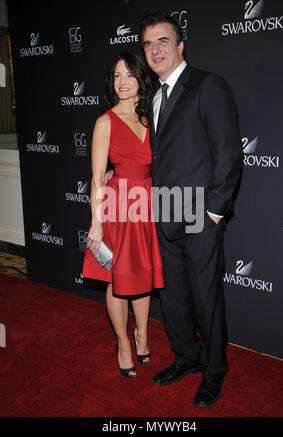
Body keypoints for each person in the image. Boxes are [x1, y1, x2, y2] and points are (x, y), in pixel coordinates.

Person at [141, 13, 242, 407]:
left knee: (206, 300)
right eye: (148, 44)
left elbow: (228, 152)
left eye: (163, 41)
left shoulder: (207, 85)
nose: (155, 50)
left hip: (201, 215)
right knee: (176, 298)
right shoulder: (153, 94)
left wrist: (215, 212)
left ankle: (214, 370)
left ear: (181, 45)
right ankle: (186, 358)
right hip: (165, 211)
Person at [81, 52, 165, 379]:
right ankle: (123, 343)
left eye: (129, 75)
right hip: (119, 207)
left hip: (150, 203)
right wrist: (97, 224)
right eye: (117, 76)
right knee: (118, 281)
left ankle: (142, 334)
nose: (122, 82)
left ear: (141, 78)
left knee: (142, 276)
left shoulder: (154, 116)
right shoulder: (105, 122)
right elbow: (96, 177)